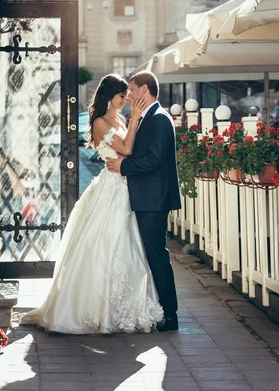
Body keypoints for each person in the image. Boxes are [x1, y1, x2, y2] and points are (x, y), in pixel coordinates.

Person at [20, 74, 164, 334]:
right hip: (110, 187)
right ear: (111, 96)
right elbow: (127, 149)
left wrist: (131, 121)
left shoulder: (119, 119)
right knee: (105, 242)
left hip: (124, 186)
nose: (126, 100)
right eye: (123, 96)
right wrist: (135, 121)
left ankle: (125, 308)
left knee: (128, 245)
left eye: (127, 96)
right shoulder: (99, 122)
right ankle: (92, 309)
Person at [106, 71, 181, 332]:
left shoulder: (159, 119)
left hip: (154, 199)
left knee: (156, 254)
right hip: (147, 197)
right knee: (149, 254)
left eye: (132, 89)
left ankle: (170, 315)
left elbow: (155, 159)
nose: (129, 94)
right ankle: (161, 308)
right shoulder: (148, 117)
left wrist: (124, 166)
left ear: (144, 90)